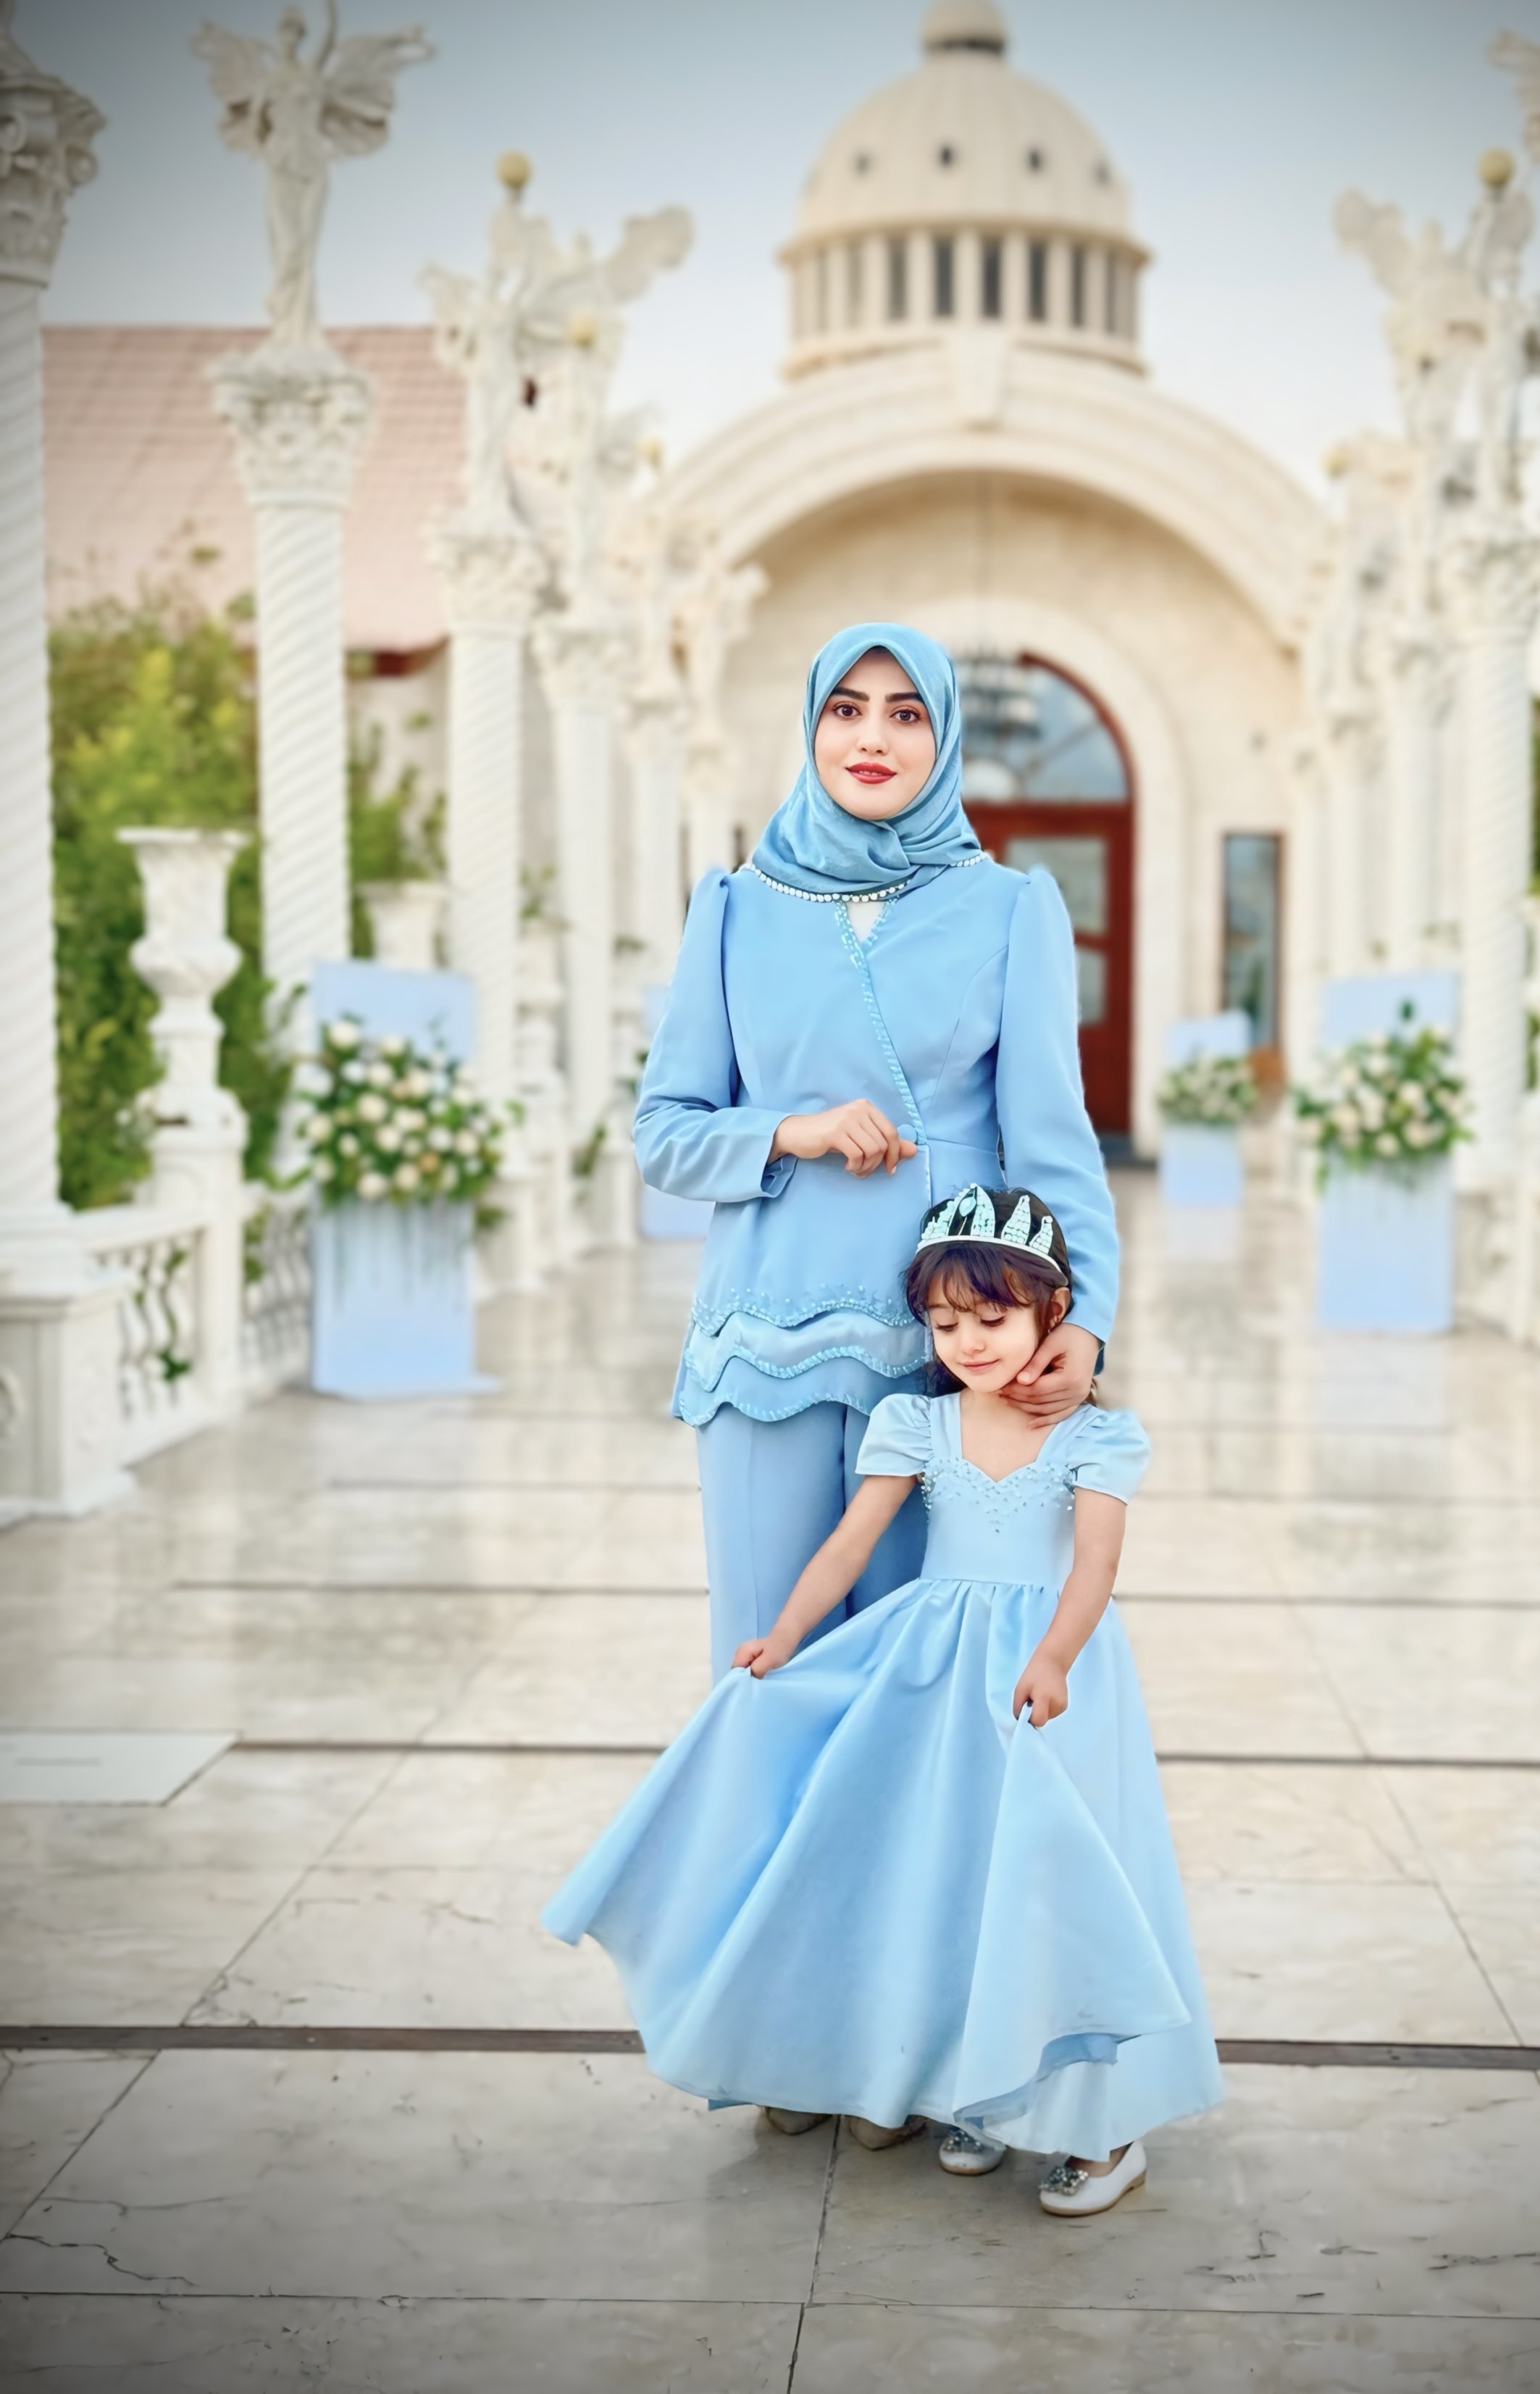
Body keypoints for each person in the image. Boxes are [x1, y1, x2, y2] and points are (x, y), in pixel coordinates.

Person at [543, 1186, 1221, 2217]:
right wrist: (785, 1634)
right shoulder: (918, 1422)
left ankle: (1106, 2131)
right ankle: (980, 2090)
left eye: (991, 1319)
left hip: (1049, 1674)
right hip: (938, 1663)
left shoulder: (1098, 1438)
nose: (968, 1343)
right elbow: (851, 1543)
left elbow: (1093, 1566)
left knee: (1058, 1875)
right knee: (958, 1870)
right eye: (945, 1325)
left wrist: (1054, 1657)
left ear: (1054, 1312)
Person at [634, 622, 1118, 1678]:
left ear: (943, 739)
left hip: (948, 1344)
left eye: (906, 715)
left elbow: (1054, 1148)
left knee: (918, 1666)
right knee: (764, 1655)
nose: (872, 738)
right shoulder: (735, 908)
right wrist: (789, 1130)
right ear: (811, 727)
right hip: (765, 1335)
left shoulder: (1009, 908)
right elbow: (663, 1133)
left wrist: (1085, 1322)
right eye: (845, 710)